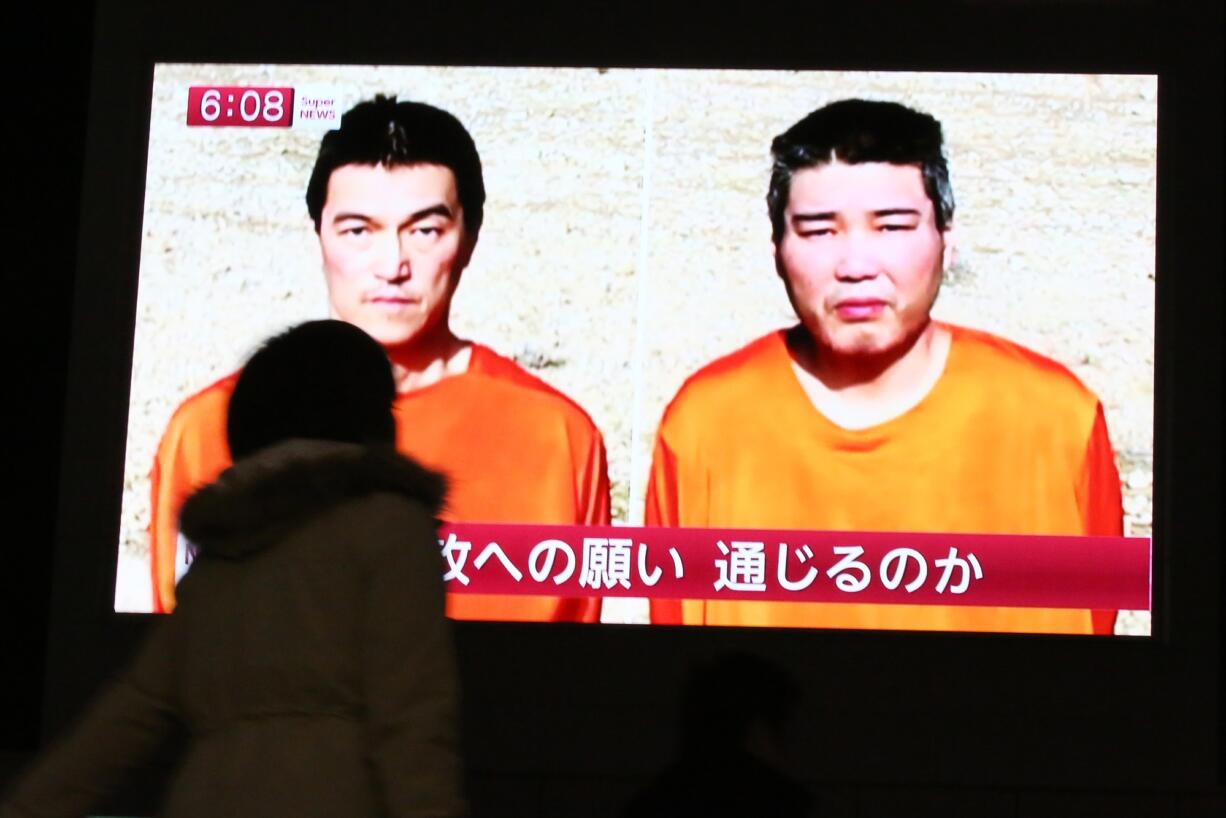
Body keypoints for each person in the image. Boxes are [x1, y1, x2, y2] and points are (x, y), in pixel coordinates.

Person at [645, 99, 1123, 633]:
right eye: (819, 231)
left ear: (947, 238)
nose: (855, 267)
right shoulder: (707, 426)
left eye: (892, 227)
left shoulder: (1055, 420)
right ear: (777, 249)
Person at [148, 95, 609, 621]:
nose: (392, 265)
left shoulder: (558, 436)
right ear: (317, 234)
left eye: (425, 230)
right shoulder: (206, 428)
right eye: (358, 231)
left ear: (470, 238)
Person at [2, 320, 464, 818]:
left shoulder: (219, 560)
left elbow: (124, 721)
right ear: (372, 420)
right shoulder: (391, 528)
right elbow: (413, 722)